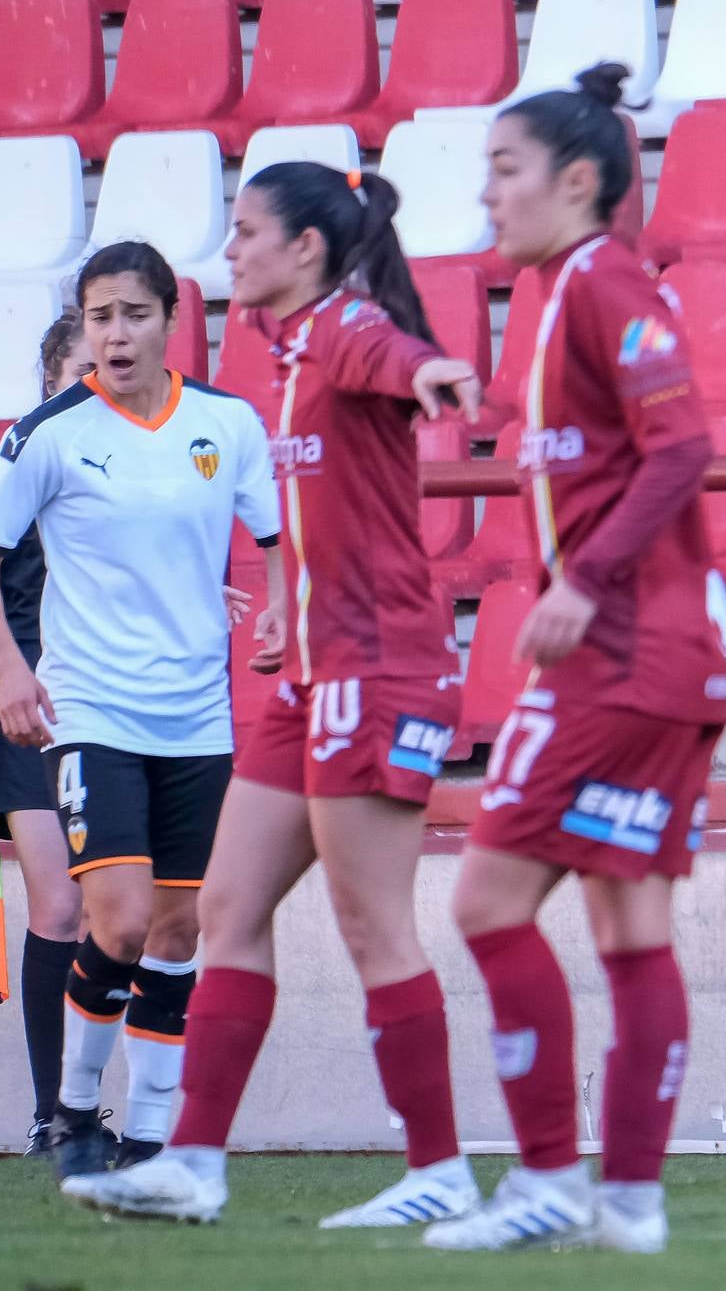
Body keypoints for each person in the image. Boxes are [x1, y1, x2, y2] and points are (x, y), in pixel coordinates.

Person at [56, 164, 485, 1228]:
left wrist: (432, 374)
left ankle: (439, 1167)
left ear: (305, 250)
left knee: (371, 923)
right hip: (309, 671)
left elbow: (397, 356)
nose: (230, 249)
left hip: (380, 664)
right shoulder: (281, 353)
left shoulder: (343, 331)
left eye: (247, 232)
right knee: (223, 911)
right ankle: (194, 1159)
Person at [417, 64, 726, 1256]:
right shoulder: (559, 290)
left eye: (506, 169)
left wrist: (583, 581)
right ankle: (632, 1203)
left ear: (580, 181)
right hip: (654, 660)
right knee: (630, 926)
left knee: (489, 903)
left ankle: (550, 1181)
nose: (488, 193)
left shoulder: (604, 282)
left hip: (624, 656)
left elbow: (684, 446)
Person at [0, 243, 284, 1178]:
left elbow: (277, 536)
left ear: (169, 320)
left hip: (198, 717)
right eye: (100, 316)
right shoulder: (45, 435)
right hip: (88, 708)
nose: (116, 332)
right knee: (116, 919)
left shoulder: (226, 424)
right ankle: (68, 1110)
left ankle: (146, 1133)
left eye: (133, 313)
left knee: (181, 930)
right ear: (83, 326)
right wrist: (9, 676)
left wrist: (281, 610)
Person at [0, 312, 98, 1156]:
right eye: (79, 368)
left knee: (139, 917)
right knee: (62, 905)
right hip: (26, 715)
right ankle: (54, 1114)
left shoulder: (138, 464)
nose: (96, 380)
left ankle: (108, 1102)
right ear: (48, 378)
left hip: (115, 710)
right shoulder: (6, 465)